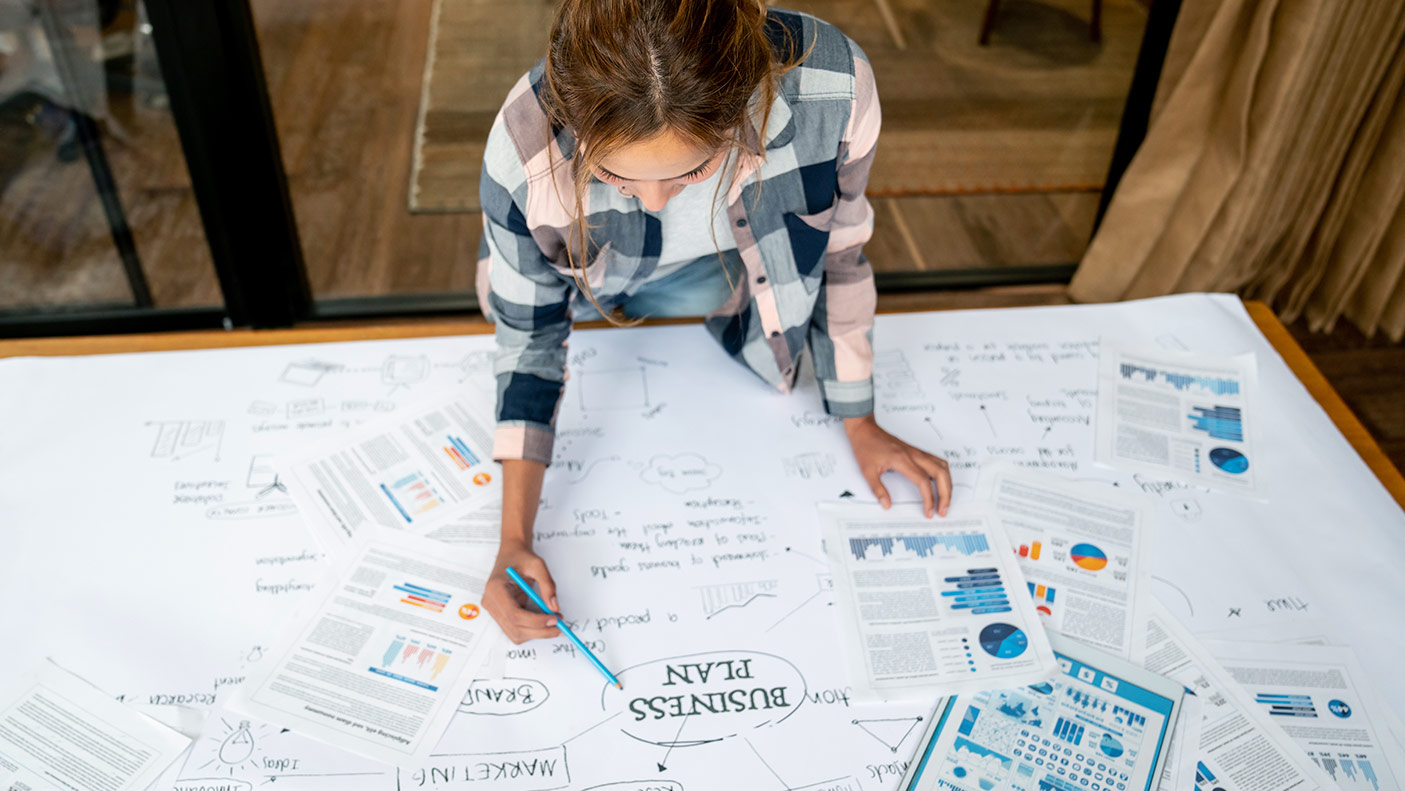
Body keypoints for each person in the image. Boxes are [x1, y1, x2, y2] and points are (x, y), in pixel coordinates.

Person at [476, 0, 952, 644]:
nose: (653, 199)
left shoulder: (835, 88)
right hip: (581, 284)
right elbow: (530, 336)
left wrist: (858, 418)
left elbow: (838, 250)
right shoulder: (522, 149)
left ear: (746, 102)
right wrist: (513, 540)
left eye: (693, 171)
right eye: (613, 174)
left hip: (725, 275)